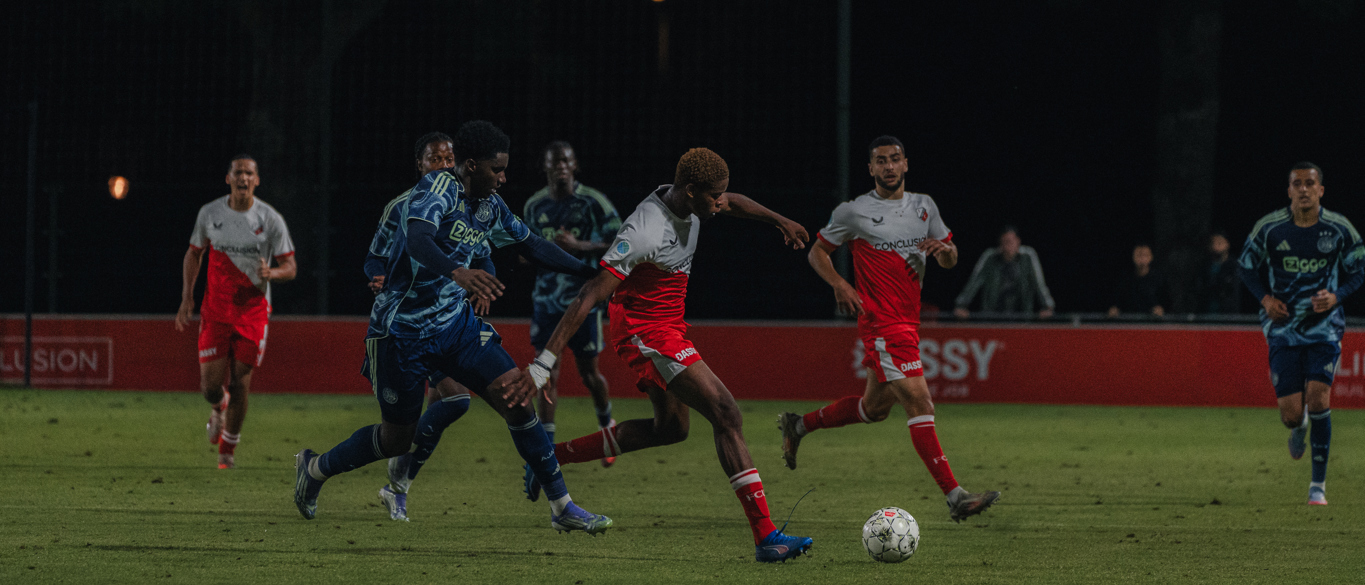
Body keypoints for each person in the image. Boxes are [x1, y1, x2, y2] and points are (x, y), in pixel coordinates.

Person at [293, 121, 612, 535]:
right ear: (472, 165)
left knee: (516, 398)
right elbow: (418, 239)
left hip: (454, 326)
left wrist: (593, 274)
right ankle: (315, 469)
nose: (503, 178)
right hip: (401, 333)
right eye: (497, 169)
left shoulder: (490, 205)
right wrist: (457, 271)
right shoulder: (437, 188)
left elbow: (531, 244)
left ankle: (562, 507)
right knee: (396, 440)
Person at [522, 148, 815, 562]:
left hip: (666, 324)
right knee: (726, 412)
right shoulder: (644, 229)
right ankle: (766, 536)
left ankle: (549, 458)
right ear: (691, 190)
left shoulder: (692, 200)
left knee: (671, 429)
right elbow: (590, 293)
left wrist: (779, 220)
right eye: (715, 195)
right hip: (645, 330)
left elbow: (734, 202)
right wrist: (544, 362)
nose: (721, 202)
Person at [776, 135, 1000, 524]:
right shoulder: (854, 211)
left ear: (906, 164)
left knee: (874, 409)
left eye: (895, 159)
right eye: (881, 161)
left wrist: (945, 252)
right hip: (882, 323)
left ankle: (798, 425)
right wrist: (840, 284)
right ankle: (956, 497)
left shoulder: (924, 206)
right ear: (871, 168)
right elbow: (817, 252)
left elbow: (950, 258)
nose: (889, 166)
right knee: (921, 403)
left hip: (908, 322)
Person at [362, 132, 497, 521]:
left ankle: (398, 485)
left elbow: (484, 255)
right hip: (406, 323)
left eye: (448, 158)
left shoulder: (467, 205)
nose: (442, 164)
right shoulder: (400, 207)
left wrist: (484, 284)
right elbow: (374, 257)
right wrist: (376, 277)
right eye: (434, 159)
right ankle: (391, 474)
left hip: (446, 321)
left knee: (452, 401)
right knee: (445, 404)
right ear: (419, 165)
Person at [1237, 162, 1363, 506]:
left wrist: (1336, 297)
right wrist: (1266, 299)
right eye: (1297, 184)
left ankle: (1317, 486)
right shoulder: (1270, 228)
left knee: (1319, 398)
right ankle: (1300, 424)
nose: (1304, 189)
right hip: (1283, 329)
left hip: (1325, 328)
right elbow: (1245, 266)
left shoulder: (1338, 228)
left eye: (1310, 183)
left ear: (1321, 190)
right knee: (1291, 414)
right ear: (1289, 190)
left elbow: (1359, 268)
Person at [176, 155, 296, 470]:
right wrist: (187, 296)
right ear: (228, 178)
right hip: (215, 310)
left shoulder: (270, 219)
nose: (243, 177)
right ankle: (219, 405)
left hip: (253, 312)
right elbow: (194, 253)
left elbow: (290, 266)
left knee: (240, 381)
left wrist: (272, 273)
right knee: (209, 387)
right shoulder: (210, 213)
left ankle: (227, 452)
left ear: (257, 180)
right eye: (238, 172)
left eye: (249, 173)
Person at [520, 141, 622, 499]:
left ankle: (606, 421)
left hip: (583, 303)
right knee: (548, 373)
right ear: (545, 168)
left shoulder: (594, 202)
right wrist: (538, 252)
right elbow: (522, 250)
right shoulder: (534, 206)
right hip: (546, 302)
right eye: (554, 162)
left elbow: (621, 243)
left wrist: (579, 246)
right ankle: (547, 450)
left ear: (575, 165)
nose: (560, 167)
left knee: (589, 374)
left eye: (566, 161)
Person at [952, 226, 1055, 319]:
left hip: (1022, 315)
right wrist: (961, 305)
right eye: (1004, 242)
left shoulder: (1028, 256)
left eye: (1010, 242)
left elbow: (1039, 282)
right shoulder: (990, 257)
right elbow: (975, 281)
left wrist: (1048, 306)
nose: (1007, 246)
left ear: (1018, 241)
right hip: (993, 314)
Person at [1107, 244, 1166, 317]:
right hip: (1127, 320)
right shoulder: (1124, 278)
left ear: (1151, 257)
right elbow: (1116, 301)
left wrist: (1160, 309)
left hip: (1152, 321)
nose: (1142, 259)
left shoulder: (1159, 279)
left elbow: (1166, 303)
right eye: (1139, 255)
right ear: (1133, 257)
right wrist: (1114, 309)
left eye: (1145, 255)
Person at [1195, 232, 1242, 314]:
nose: (1216, 246)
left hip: (1227, 313)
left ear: (1227, 244)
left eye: (1219, 242)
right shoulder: (1204, 266)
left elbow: (1234, 290)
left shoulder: (1234, 266)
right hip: (1206, 312)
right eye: (1213, 243)